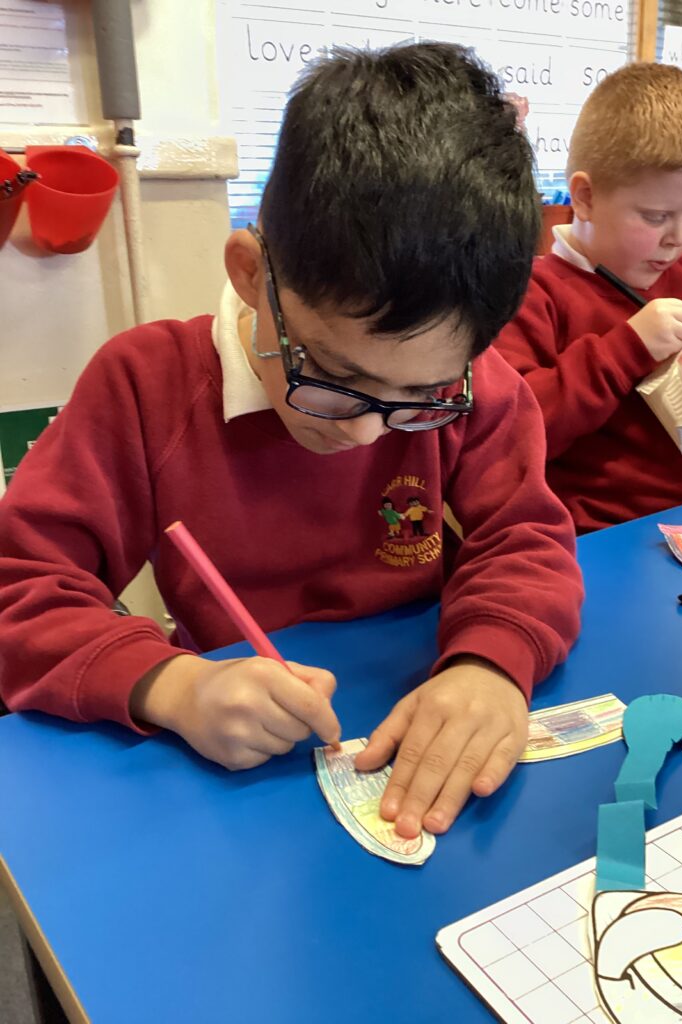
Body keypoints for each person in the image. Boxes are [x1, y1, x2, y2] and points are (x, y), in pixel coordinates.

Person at [0, 43, 582, 838]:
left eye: (420, 397)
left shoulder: (475, 386)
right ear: (251, 275)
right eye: (333, 374)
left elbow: (525, 538)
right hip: (232, 769)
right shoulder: (145, 387)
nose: (368, 429)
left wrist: (491, 663)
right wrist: (172, 686)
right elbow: (21, 588)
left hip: (408, 710)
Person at [495, 62, 682, 534]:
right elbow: (511, 435)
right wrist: (624, 351)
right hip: (615, 537)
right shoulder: (534, 296)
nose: (678, 238)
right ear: (585, 197)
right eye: (657, 216)